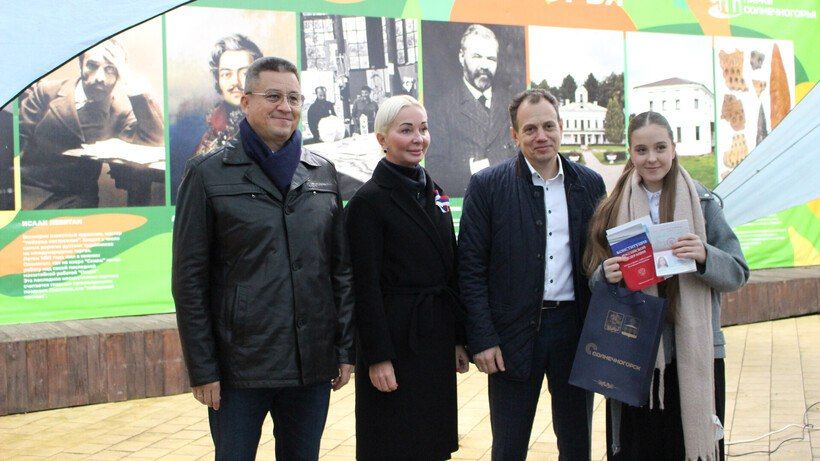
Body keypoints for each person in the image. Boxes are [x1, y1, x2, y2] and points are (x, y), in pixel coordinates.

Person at [172, 56, 355, 461]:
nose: (285, 107)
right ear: (246, 102)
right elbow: (189, 281)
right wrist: (203, 369)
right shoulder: (207, 174)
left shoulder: (321, 173)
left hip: (310, 365)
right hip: (239, 369)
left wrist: (344, 349)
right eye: (273, 96)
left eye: (294, 98)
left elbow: (339, 270)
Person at [582, 111, 749, 461]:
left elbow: (737, 272)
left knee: (687, 445)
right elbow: (594, 278)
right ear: (631, 153)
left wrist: (704, 255)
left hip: (694, 351)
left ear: (674, 148)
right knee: (637, 448)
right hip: (632, 350)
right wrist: (606, 274)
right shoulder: (614, 206)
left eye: (660, 147)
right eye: (641, 150)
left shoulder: (702, 203)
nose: (652, 158)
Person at [459, 88, 606, 460]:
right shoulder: (488, 186)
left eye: (548, 126)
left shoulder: (590, 184)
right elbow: (471, 269)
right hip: (511, 335)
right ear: (514, 134)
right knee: (509, 446)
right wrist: (483, 338)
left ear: (561, 127)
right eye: (530, 129)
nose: (541, 136)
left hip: (574, 332)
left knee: (577, 444)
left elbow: (600, 259)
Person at [346, 95, 470, 460]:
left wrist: (457, 339)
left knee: (432, 442)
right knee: (394, 443)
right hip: (395, 342)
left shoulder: (436, 193)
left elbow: (451, 270)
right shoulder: (368, 202)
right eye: (406, 130)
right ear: (382, 138)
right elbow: (364, 287)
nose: (418, 138)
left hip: (434, 337)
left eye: (423, 129)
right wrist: (377, 357)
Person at [19, 39, 164, 209]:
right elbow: (17, 141)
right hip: (30, 191)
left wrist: (128, 77)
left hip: (76, 198)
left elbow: (154, 140)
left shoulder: (120, 111)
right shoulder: (46, 92)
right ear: (80, 65)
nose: (100, 78)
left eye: (110, 69)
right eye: (92, 66)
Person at [426, 24, 518, 196]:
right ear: (462, 57)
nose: (484, 65)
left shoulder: (513, 105)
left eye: (491, 59)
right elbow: (434, 169)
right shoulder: (441, 109)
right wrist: (474, 168)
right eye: (477, 56)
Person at [195, 34, 263, 156]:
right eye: (226, 74)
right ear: (218, 80)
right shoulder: (214, 127)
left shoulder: (271, 123)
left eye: (244, 73)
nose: (235, 82)